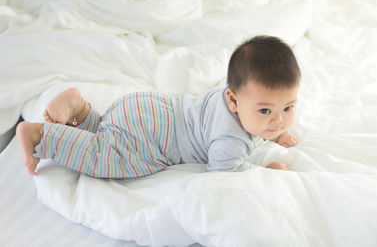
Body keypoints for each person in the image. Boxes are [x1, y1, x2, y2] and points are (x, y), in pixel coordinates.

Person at [17, 35, 300, 178]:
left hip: (149, 107)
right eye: (266, 111)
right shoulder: (230, 140)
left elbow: (262, 121)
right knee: (106, 155)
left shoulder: (232, 96)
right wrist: (268, 172)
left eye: (288, 108)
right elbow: (225, 175)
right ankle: (42, 136)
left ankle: (80, 110)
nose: (279, 119)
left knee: (109, 131)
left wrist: (275, 134)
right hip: (157, 138)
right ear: (234, 101)